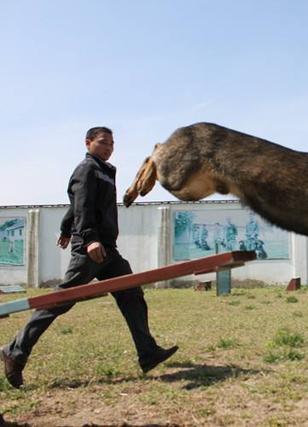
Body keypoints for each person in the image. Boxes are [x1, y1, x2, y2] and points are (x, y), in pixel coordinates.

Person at [1, 126, 178, 389]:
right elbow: (82, 204)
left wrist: (65, 228)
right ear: (88, 143)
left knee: (131, 293)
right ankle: (14, 352)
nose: (109, 147)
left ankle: (147, 352)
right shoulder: (87, 169)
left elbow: (76, 204)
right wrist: (88, 238)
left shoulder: (105, 171)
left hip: (107, 249)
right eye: (103, 142)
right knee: (59, 301)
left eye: (112, 144)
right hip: (92, 248)